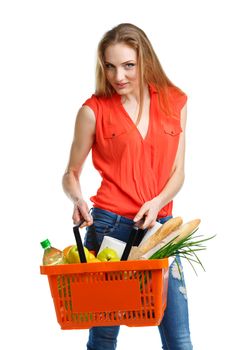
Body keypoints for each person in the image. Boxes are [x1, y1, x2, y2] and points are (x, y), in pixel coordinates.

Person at [62, 23, 192, 350]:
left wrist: (158, 200)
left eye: (128, 65)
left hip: (159, 230)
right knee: (104, 337)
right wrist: (77, 198)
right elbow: (71, 173)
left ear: (144, 60)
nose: (118, 76)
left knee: (179, 338)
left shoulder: (174, 102)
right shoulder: (93, 112)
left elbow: (178, 172)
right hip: (109, 227)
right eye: (110, 66)